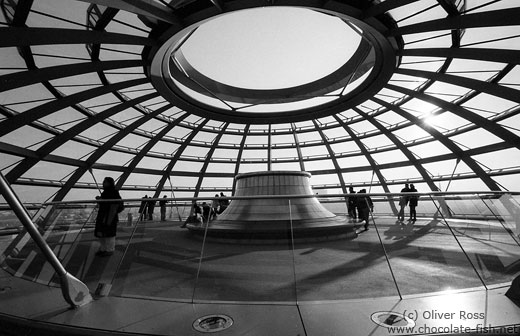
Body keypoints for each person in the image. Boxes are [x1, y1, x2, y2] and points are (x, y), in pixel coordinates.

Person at [94, 177, 123, 257]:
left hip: (110, 216)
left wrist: (102, 201)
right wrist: (101, 200)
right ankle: (104, 249)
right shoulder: (109, 193)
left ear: (109, 183)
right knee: (102, 233)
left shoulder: (113, 193)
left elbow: (117, 204)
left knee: (109, 234)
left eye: (105, 182)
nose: (103, 183)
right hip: (105, 216)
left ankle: (109, 249)